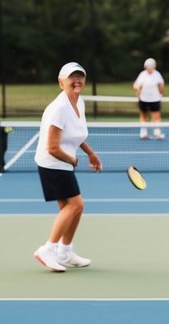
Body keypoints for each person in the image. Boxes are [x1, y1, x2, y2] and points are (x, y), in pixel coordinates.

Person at [32, 62, 101, 273]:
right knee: (75, 206)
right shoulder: (59, 109)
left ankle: (65, 252)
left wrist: (90, 153)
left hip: (63, 162)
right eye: (72, 77)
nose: (77, 80)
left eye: (80, 76)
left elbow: (75, 133)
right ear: (61, 82)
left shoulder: (79, 102)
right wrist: (73, 160)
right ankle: (48, 249)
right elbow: (52, 147)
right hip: (52, 162)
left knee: (71, 208)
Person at [133, 57, 165, 140]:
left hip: (155, 99)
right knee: (143, 116)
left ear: (154, 66)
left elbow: (161, 86)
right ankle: (143, 133)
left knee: (156, 117)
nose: (149, 68)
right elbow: (135, 85)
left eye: (151, 66)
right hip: (143, 99)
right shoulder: (142, 75)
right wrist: (137, 88)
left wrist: (161, 94)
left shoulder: (157, 75)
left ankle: (157, 133)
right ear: (145, 66)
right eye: (147, 66)